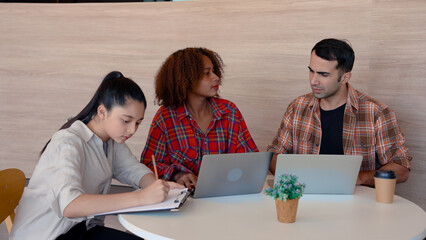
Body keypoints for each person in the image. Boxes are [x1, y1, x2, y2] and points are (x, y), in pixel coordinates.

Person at [10, 71, 183, 240]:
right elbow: (70, 205)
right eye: (126, 120)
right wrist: (142, 197)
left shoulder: (111, 140)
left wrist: (159, 187)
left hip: (82, 230)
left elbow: (133, 169)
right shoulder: (67, 143)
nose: (132, 130)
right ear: (102, 112)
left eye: (138, 122)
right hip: (49, 235)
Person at [267, 38, 411, 187]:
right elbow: (274, 155)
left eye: (323, 74)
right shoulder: (297, 107)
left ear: (345, 77)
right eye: (311, 71)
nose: (313, 81)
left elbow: (401, 168)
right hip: (306, 200)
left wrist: (361, 178)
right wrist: (296, 179)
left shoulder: (377, 113)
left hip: (357, 204)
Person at [140, 47, 258, 189]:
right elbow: (148, 165)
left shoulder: (229, 111)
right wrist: (176, 175)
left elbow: (252, 160)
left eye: (214, 71)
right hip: (184, 201)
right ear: (185, 80)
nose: (216, 77)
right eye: (207, 73)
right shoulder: (165, 118)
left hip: (225, 196)